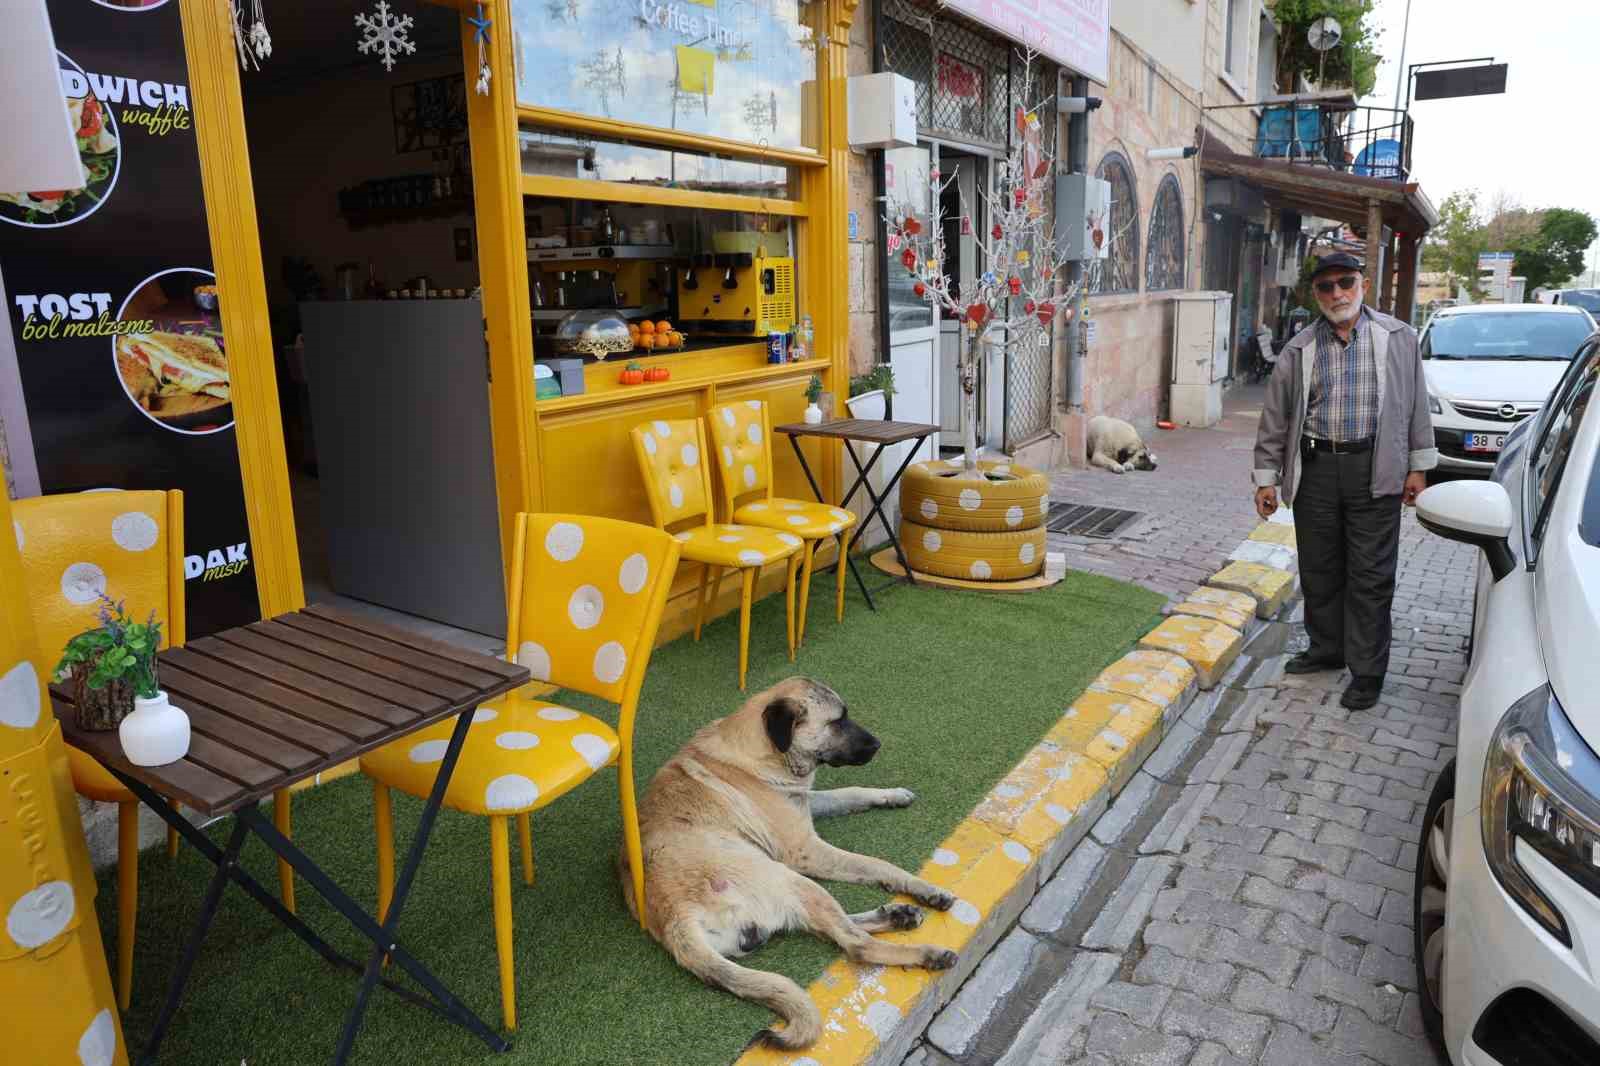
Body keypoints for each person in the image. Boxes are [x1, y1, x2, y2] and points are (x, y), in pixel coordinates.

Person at [1251, 252, 1437, 710]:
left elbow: (1416, 406)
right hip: (1316, 470)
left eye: (1345, 283)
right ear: (1316, 295)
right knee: (1320, 568)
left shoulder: (1399, 338)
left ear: (1363, 285)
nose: (1337, 294)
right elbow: (1275, 419)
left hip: (1375, 470)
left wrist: (1418, 466)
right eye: (1326, 287)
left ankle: (1368, 671)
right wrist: (1266, 479)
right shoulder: (1298, 349)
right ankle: (1327, 649)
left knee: (1370, 576)